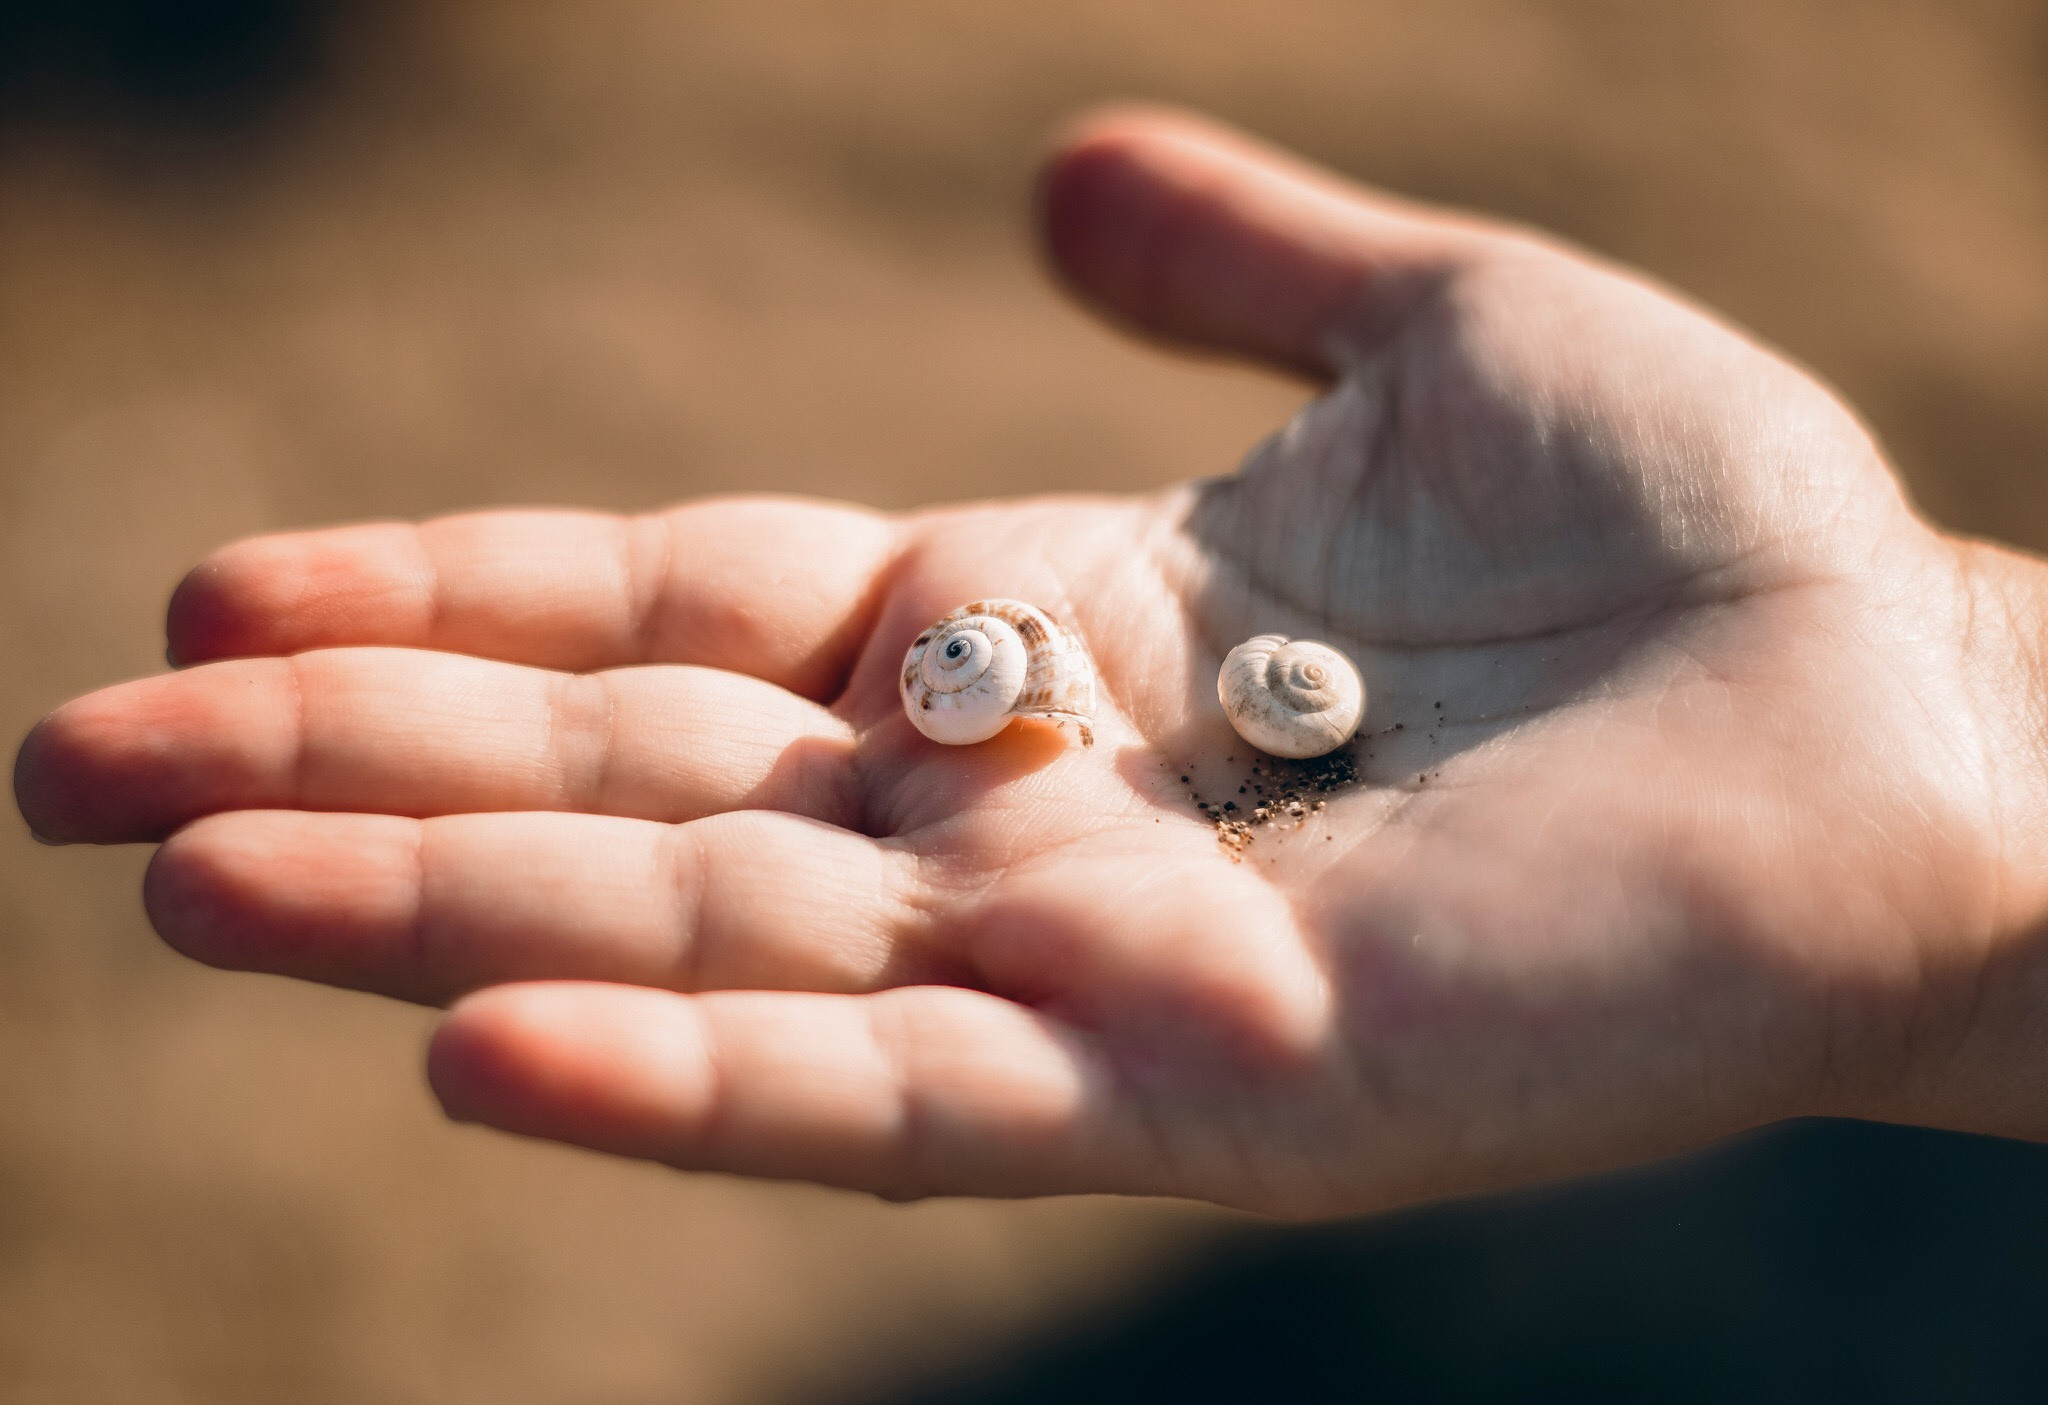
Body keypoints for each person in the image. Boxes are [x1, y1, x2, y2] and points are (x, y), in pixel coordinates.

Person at [13, 109, 2048, 1218]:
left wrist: (1956, 718)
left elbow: (1259, 725)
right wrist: (1959, 738)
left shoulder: (1243, 722)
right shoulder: (1100, 708)